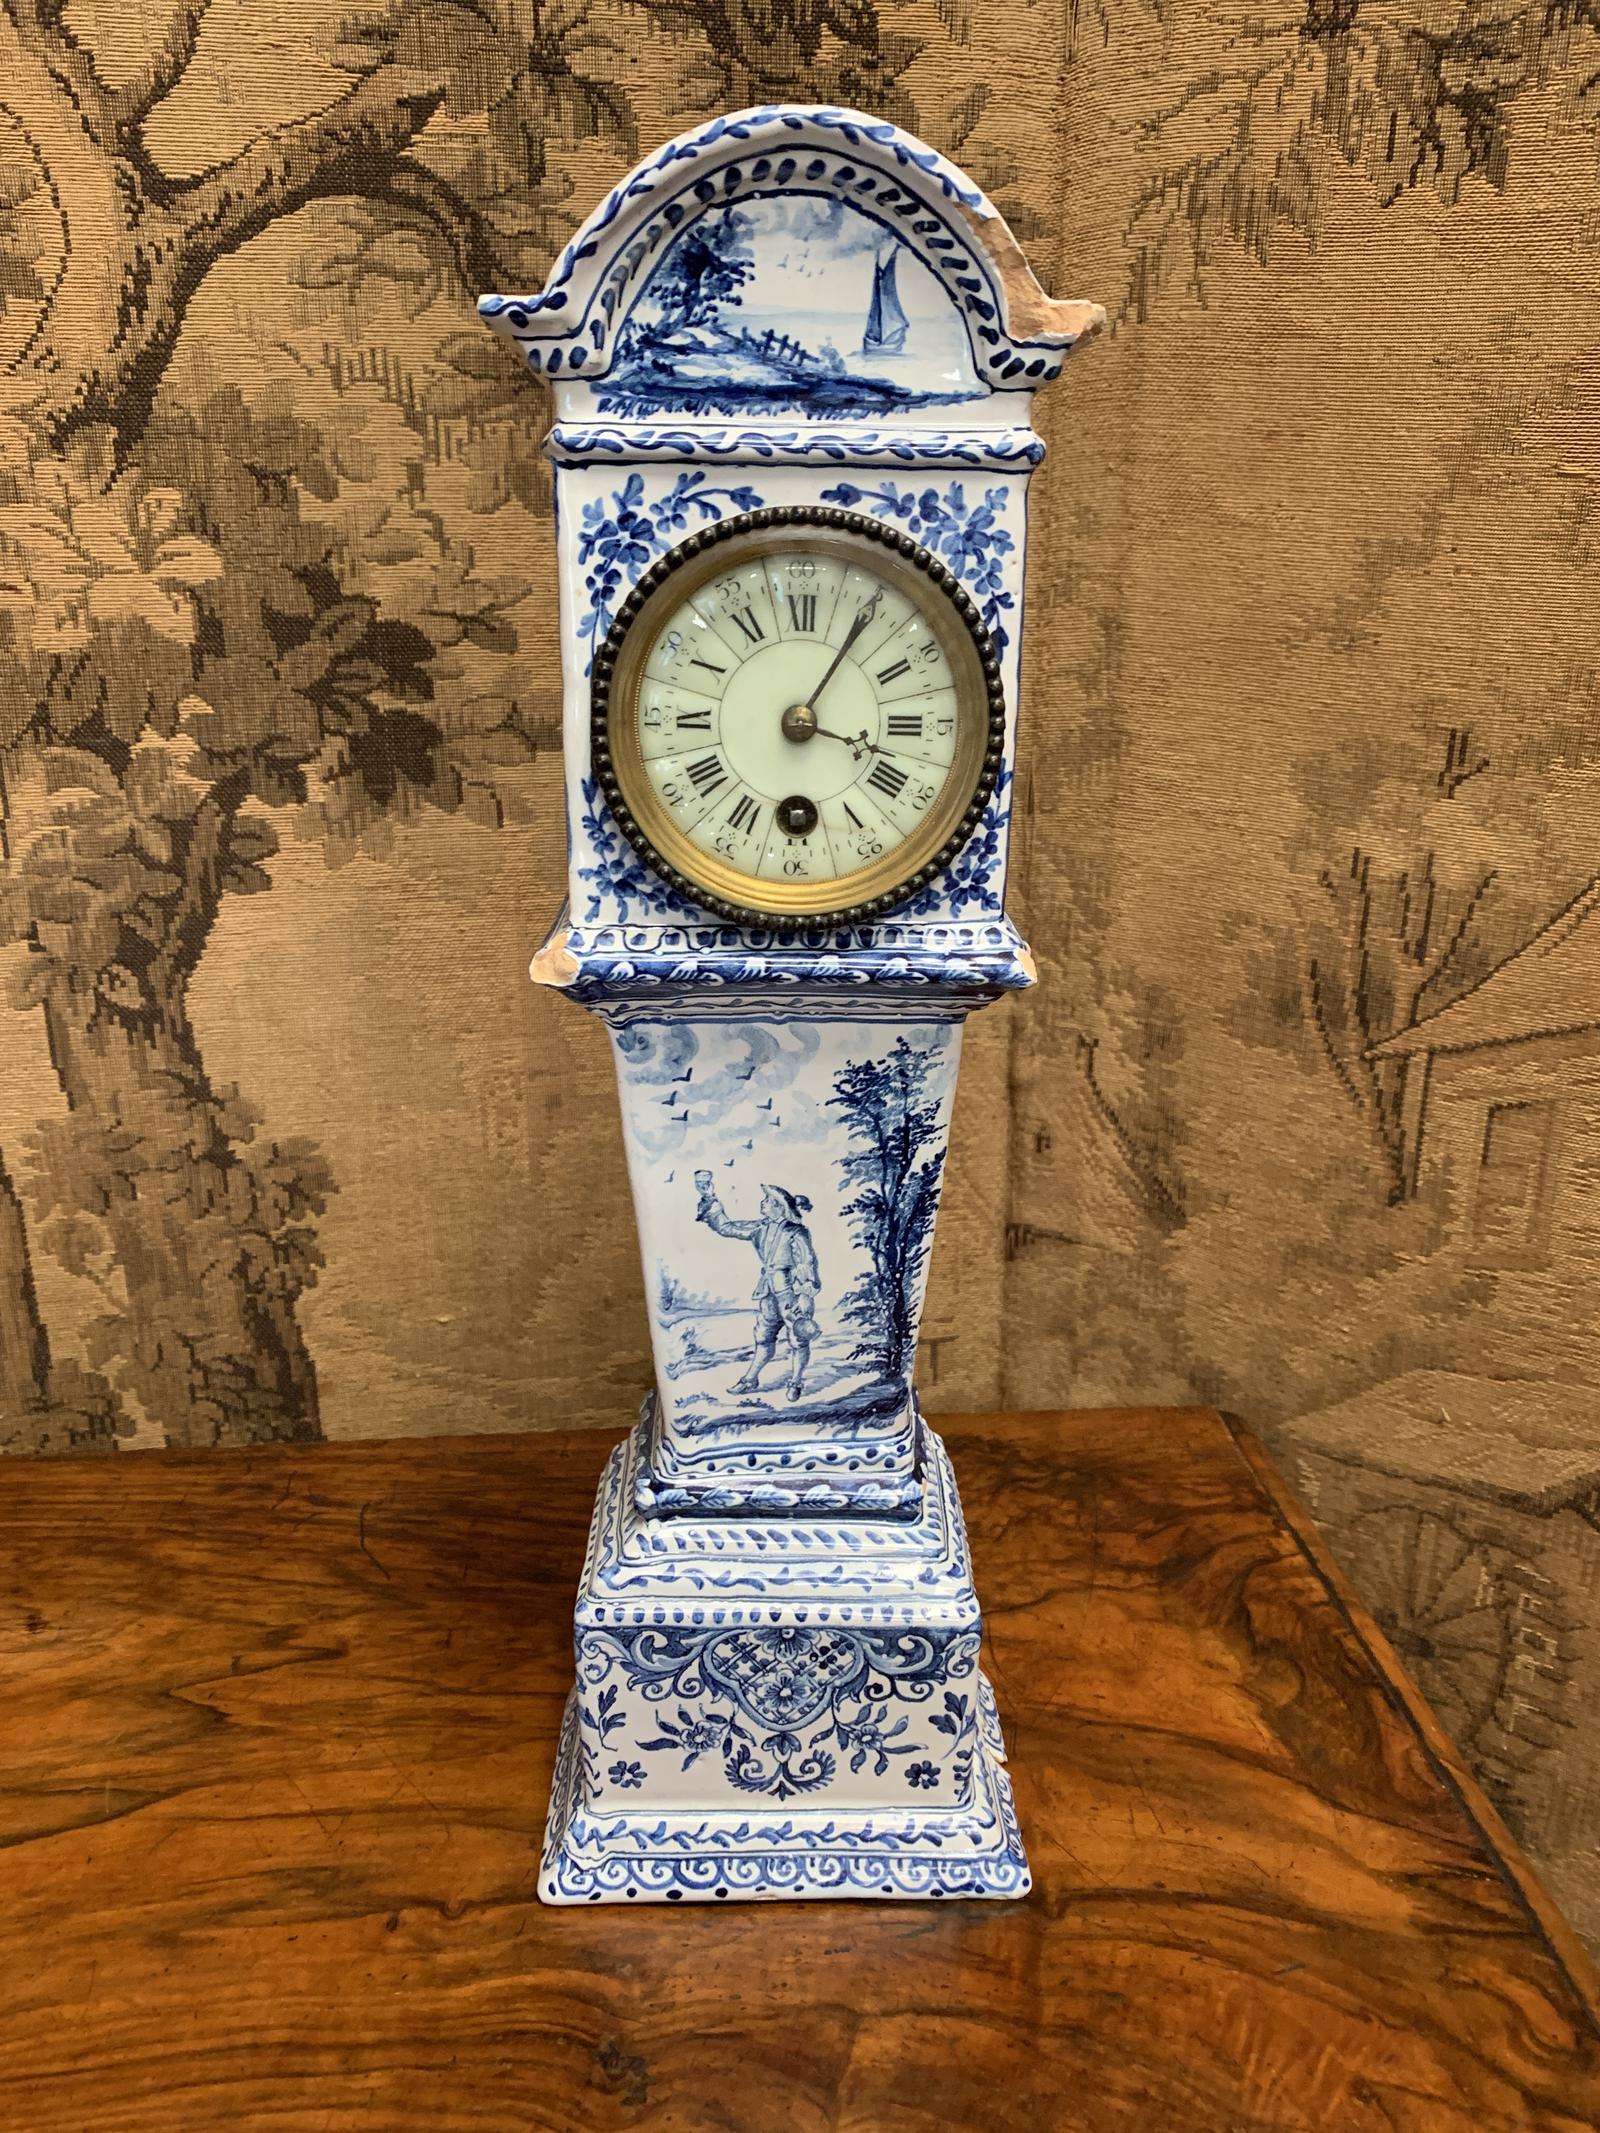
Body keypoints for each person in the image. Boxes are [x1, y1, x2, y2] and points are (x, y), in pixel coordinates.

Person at [693, 1171, 820, 1400]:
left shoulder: (796, 1232)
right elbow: (727, 1227)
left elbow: (806, 1263)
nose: (762, 1203)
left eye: (767, 1200)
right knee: (763, 1336)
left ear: (779, 1207)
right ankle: (750, 1379)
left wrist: (805, 1296)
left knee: (798, 1338)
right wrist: (709, 1198)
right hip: (768, 1291)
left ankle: (796, 1382)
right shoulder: (760, 1228)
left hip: (792, 1292)